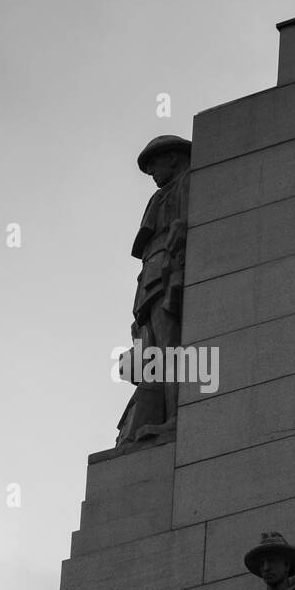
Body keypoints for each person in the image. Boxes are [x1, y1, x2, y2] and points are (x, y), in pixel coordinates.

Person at [115, 135, 191, 446]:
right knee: (156, 353)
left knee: (172, 348)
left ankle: (176, 416)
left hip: (166, 272)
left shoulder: (188, 182)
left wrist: (182, 225)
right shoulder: (161, 195)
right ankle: (159, 413)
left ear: (173, 158)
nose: (152, 174)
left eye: (155, 165)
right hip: (151, 277)